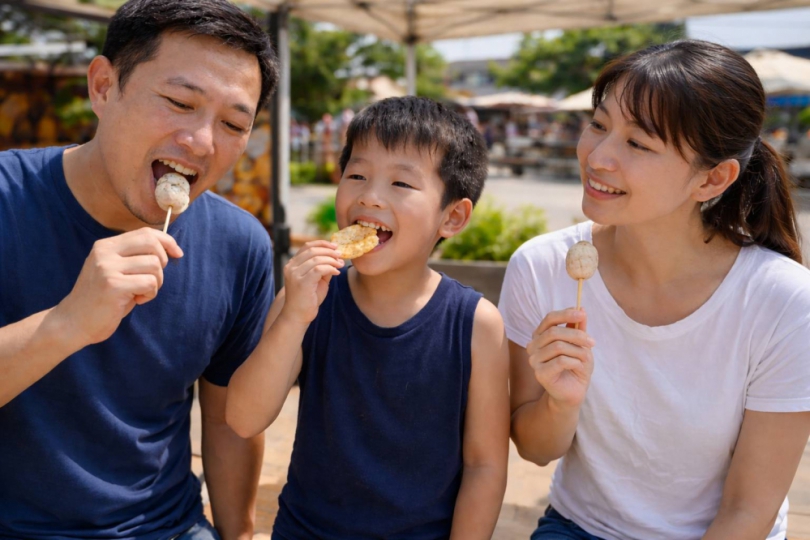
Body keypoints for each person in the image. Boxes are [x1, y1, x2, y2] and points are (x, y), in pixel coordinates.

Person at [499, 40, 810, 540]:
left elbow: (747, 512)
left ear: (713, 179)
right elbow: (535, 450)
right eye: (598, 125)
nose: (598, 157)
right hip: (581, 527)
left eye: (638, 144)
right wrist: (560, 402)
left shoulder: (784, 301)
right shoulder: (542, 267)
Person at [0, 1, 279, 539]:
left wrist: (238, 535)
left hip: (167, 527)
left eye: (232, 124)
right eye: (179, 102)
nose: (202, 142)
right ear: (104, 87)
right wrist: (67, 323)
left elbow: (227, 422)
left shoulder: (240, 244)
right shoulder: (8, 201)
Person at [226, 96, 510, 539]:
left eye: (401, 183)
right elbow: (244, 419)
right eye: (356, 175)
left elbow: (484, 466)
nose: (370, 196)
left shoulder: (476, 325)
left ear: (452, 217)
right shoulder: (306, 301)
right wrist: (293, 318)